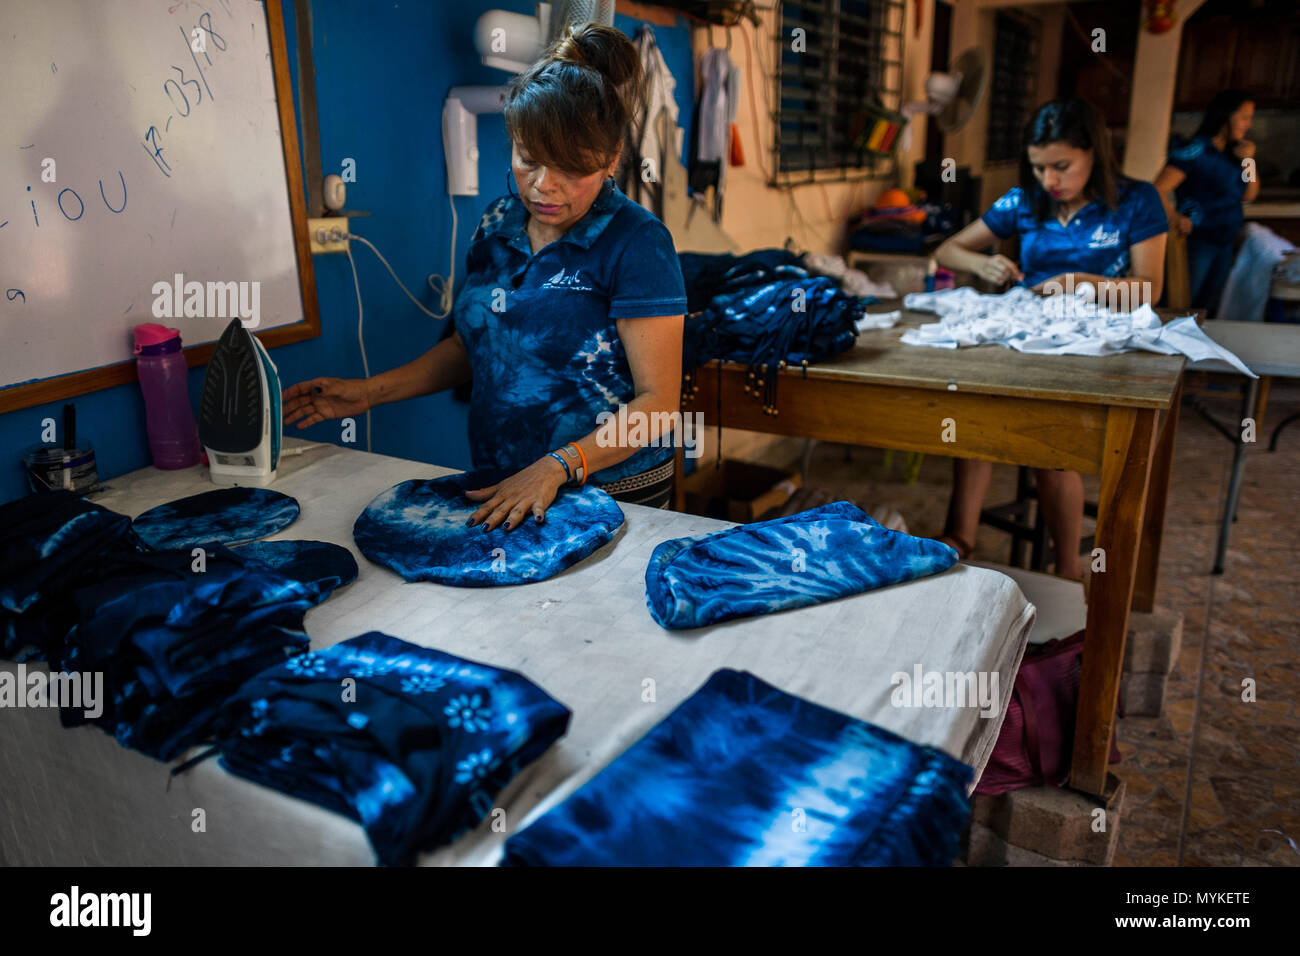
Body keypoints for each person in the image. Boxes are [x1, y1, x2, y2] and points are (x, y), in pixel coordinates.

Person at [282, 24, 687, 526]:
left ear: (610, 160)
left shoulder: (637, 242)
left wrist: (558, 467)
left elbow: (660, 404)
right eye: (528, 160)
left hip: (611, 492)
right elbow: (473, 347)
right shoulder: (499, 221)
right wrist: (370, 392)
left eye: (570, 169)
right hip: (503, 485)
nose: (543, 186)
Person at [931, 98, 1168, 578]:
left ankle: (1066, 571)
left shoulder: (1136, 201)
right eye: (1039, 168)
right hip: (1029, 334)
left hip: (1095, 343)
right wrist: (983, 263)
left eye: (1062, 166)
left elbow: (1149, 290)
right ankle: (962, 536)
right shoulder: (1023, 202)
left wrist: (1082, 283)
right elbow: (946, 250)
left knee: (1048, 441)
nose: (1050, 180)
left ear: (1092, 154)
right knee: (973, 407)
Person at [1154, 90, 1259, 314]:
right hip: (1197, 241)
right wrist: (1175, 217)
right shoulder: (1196, 151)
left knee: (1206, 308)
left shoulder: (1235, 156)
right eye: (1244, 117)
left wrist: (1249, 161)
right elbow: (1157, 190)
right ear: (1226, 116)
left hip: (1225, 243)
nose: (1248, 124)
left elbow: (1248, 195)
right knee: (1181, 307)